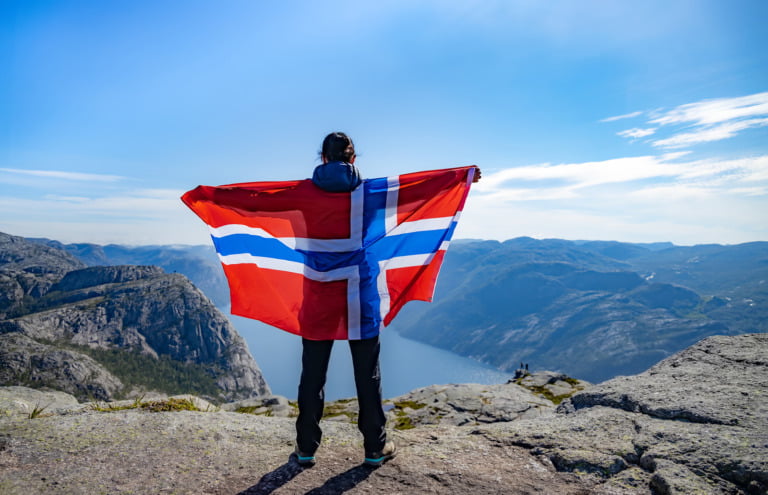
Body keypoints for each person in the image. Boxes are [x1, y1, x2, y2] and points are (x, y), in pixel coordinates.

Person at [294, 132, 396, 468]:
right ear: (353, 159)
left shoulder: (301, 193)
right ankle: (374, 448)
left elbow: (254, 200)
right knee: (368, 375)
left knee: (313, 375)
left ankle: (306, 448)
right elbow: (423, 190)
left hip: (319, 294)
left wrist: (206, 198)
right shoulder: (371, 192)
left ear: (322, 158)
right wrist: (463, 178)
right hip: (359, 294)